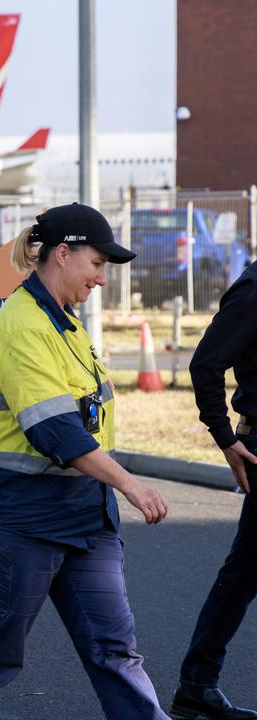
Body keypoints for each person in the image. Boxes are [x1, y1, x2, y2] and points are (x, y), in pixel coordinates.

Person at [0, 203, 171, 719]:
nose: (102, 278)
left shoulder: (63, 322)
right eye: (98, 264)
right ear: (63, 253)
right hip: (20, 521)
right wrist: (131, 484)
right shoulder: (23, 325)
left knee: (115, 652)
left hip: (82, 516)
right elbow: (54, 431)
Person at [164, 260, 257, 719]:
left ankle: (196, 685)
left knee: (244, 571)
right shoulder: (254, 289)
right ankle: (196, 684)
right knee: (244, 572)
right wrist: (226, 438)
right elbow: (207, 364)